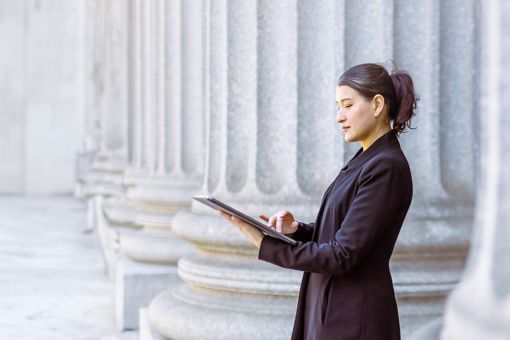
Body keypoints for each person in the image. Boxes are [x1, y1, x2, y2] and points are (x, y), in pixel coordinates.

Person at [219, 62, 417, 340]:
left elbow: (343, 254)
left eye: (347, 105)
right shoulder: (366, 160)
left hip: (353, 318)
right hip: (331, 306)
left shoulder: (386, 167)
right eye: (338, 106)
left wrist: (266, 245)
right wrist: (296, 230)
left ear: (377, 104)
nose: (339, 116)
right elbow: (344, 230)